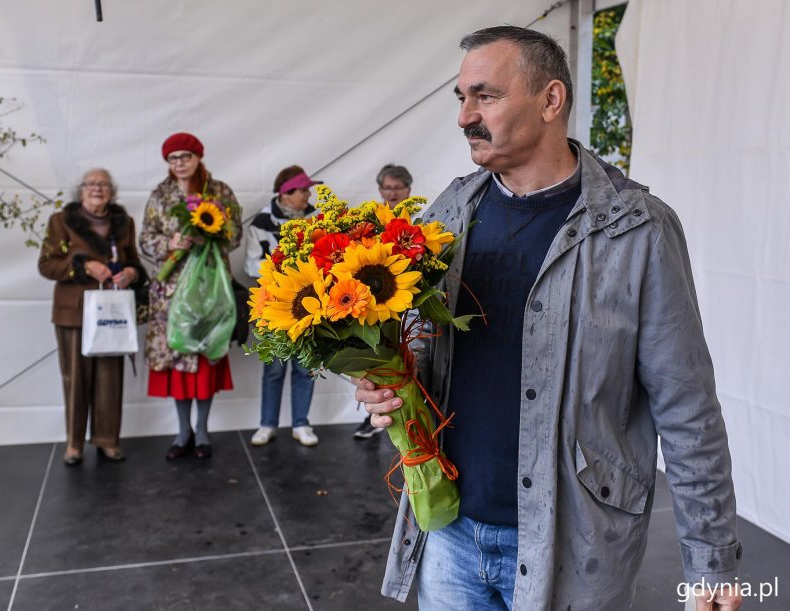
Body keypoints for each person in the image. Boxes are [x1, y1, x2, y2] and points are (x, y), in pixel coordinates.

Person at [354, 26, 742, 611]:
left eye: (484, 96)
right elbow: (420, 351)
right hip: (449, 532)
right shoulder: (449, 213)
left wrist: (710, 562)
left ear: (550, 100)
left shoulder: (636, 229)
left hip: (575, 546)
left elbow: (687, 408)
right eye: (461, 98)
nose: (464, 117)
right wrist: (384, 379)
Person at [140, 132, 242, 461]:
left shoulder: (220, 191)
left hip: (208, 289)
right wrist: (169, 244)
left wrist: (211, 237)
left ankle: (202, 430)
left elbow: (235, 233)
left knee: (204, 358)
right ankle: (182, 430)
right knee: (179, 361)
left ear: (198, 157)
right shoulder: (160, 194)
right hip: (172, 293)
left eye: (185, 156)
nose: (179, 163)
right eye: (173, 158)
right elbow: (145, 238)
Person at [38, 168, 144, 466]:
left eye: (104, 184)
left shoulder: (124, 223)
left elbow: (133, 259)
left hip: (112, 311)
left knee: (110, 378)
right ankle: (74, 444)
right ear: (80, 190)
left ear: (112, 191)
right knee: (75, 379)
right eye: (91, 184)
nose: (97, 188)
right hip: (73, 313)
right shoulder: (61, 221)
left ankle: (108, 440)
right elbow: (47, 265)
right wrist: (84, 265)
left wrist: (132, 272)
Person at [244, 165, 321, 447]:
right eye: (303, 190)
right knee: (274, 366)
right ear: (286, 194)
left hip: (311, 303)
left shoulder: (316, 218)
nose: (308, 194)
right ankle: (267, 424)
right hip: (274, 305)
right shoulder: (262, 221)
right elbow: (251, 263)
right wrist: (284, 266)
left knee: (306, 365)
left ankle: (302, 423)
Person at [352, 163, 414, 440]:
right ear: (380, 190)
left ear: (408, 189)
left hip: (408, 298)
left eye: (397, 188)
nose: (392, 193)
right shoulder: (370, 221)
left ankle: (408, 414)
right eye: (387, 188)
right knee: (377, 358)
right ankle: (374, 414)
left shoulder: (419, 217)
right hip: (376, 302)